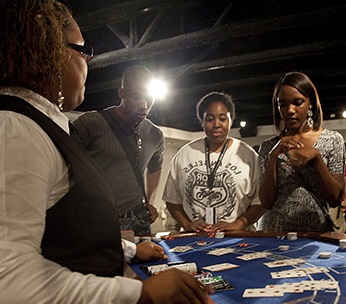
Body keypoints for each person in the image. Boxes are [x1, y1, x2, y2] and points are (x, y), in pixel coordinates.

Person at [0, 1, 208, 303]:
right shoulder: (16, 127)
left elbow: (69, 234)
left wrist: (132, 249)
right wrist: (139, 293)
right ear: (52, 51)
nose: (88, 64)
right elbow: (8, 276)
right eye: (84, 52)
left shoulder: (40, 125)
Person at [73, 65, 164, 235]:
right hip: (102, 221)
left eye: (149, 98)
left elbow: (156, 166)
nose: (144, 105)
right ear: (121, 93)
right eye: (136, 97)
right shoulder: (90, 124)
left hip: (139, 220)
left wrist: (150, 201)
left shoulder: (155, 134)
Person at [162, 92, 265, 232]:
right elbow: (172, 199)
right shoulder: (184, 154)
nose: (216, 124)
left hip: (238, 238)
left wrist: (239, 223)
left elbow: (261, 200)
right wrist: (187, 224)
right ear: (201, 121)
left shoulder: (247, 155)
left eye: (222, 119)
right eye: (210, 119)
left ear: (231, 120)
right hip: (195, 238)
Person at [258, 71, 345, 232]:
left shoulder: (332, 140)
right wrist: (273, 158)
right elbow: (266, 202)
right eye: (282, 104)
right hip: (275, 232)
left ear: (310, 103)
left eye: (297, 102)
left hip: (317, 233)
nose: (289, 110)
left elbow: (334, 199)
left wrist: (317, 159)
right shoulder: (269, 146)